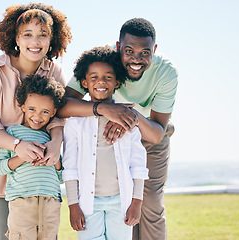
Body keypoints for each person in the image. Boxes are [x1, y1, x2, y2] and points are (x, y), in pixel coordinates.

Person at [59, 18, 178, 240]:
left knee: (149, 201)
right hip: (105, 128)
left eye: (145, 52)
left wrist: (127, 116)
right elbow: (64, 105)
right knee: (121, 207)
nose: (136, 59)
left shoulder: (166, 72)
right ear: (118, 47)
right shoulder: (101, 62)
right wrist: (105, 109)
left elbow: (156, 134)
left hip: (148, 129)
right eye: (129, 50)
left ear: (155, 50)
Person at [0, 3, 72, 240]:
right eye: (28, 34)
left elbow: (59, 117)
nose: (35, 41)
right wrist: (17, 145)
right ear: (16, 37)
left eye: (43, 35)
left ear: (52, 39)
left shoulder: (55, 73)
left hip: (33, 180)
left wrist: (55, 143)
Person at [62, 46, 149, 239]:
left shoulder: (127, 119)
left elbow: (138, 162)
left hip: (122, 203)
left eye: (108, 77)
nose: (101, 81)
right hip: (87, 205)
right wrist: (73, 205)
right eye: (94, 77)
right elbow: (70, 167)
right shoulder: (75, 123)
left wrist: (137, 201)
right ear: (84, 82)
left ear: (117, 82)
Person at [0, 74, 66, 240]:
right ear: (23, 106)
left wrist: (55, 161)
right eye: (32, 109)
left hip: (51, 203)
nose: (37, 116)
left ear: (53, 112)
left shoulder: (51, 139)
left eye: (45, 112)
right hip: (22, 202)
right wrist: (22, 156)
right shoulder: (12, 133)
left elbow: (61, 177)